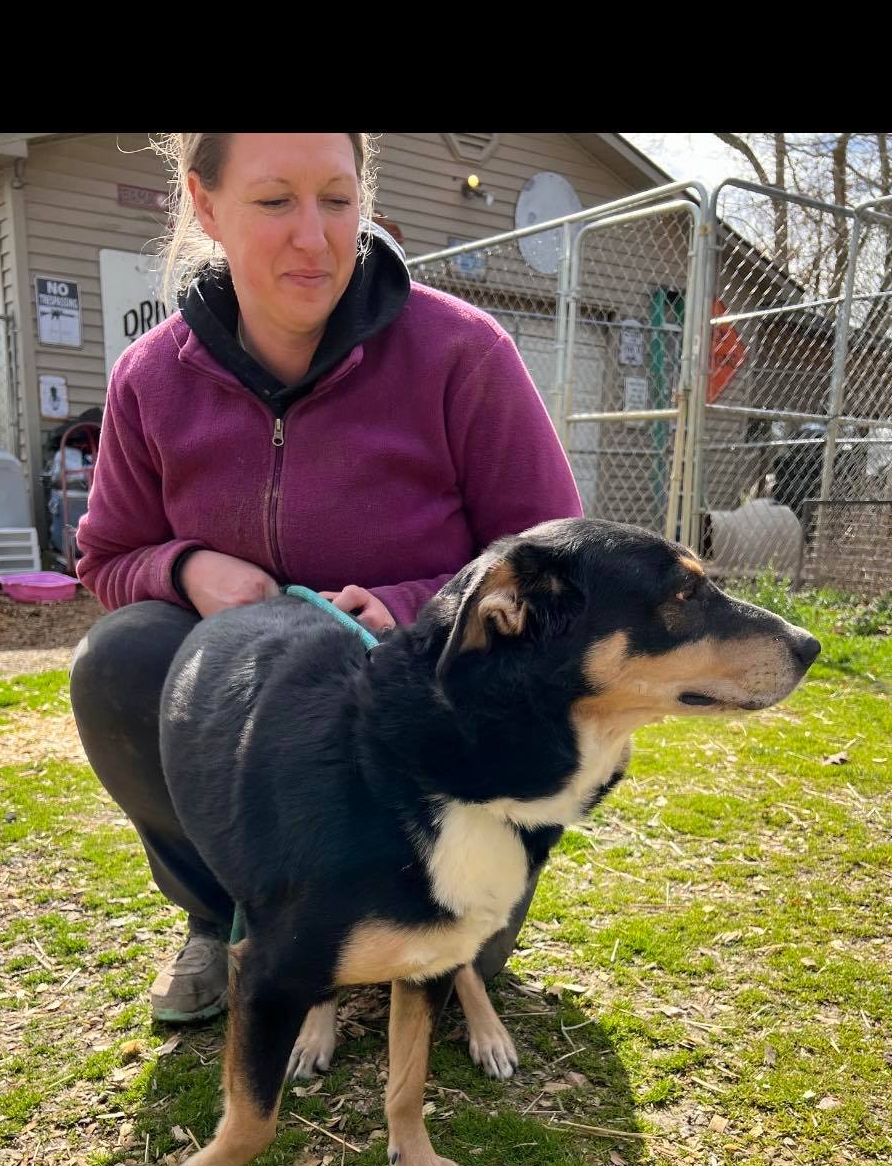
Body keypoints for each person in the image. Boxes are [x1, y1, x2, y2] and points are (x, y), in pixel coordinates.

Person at [70, 132, 584, 1024]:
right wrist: (185, 567)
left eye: (336, 201)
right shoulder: (150, 379)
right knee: (120, 659)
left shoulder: (462, 351)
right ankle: (219, 910)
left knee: (445, 960)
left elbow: (550, 563)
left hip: (428, 708)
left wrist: (408, 607)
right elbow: (107, 558)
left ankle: (418, 901)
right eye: (274, 203)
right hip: (256, 699)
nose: (314, 237)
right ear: (205, 205)